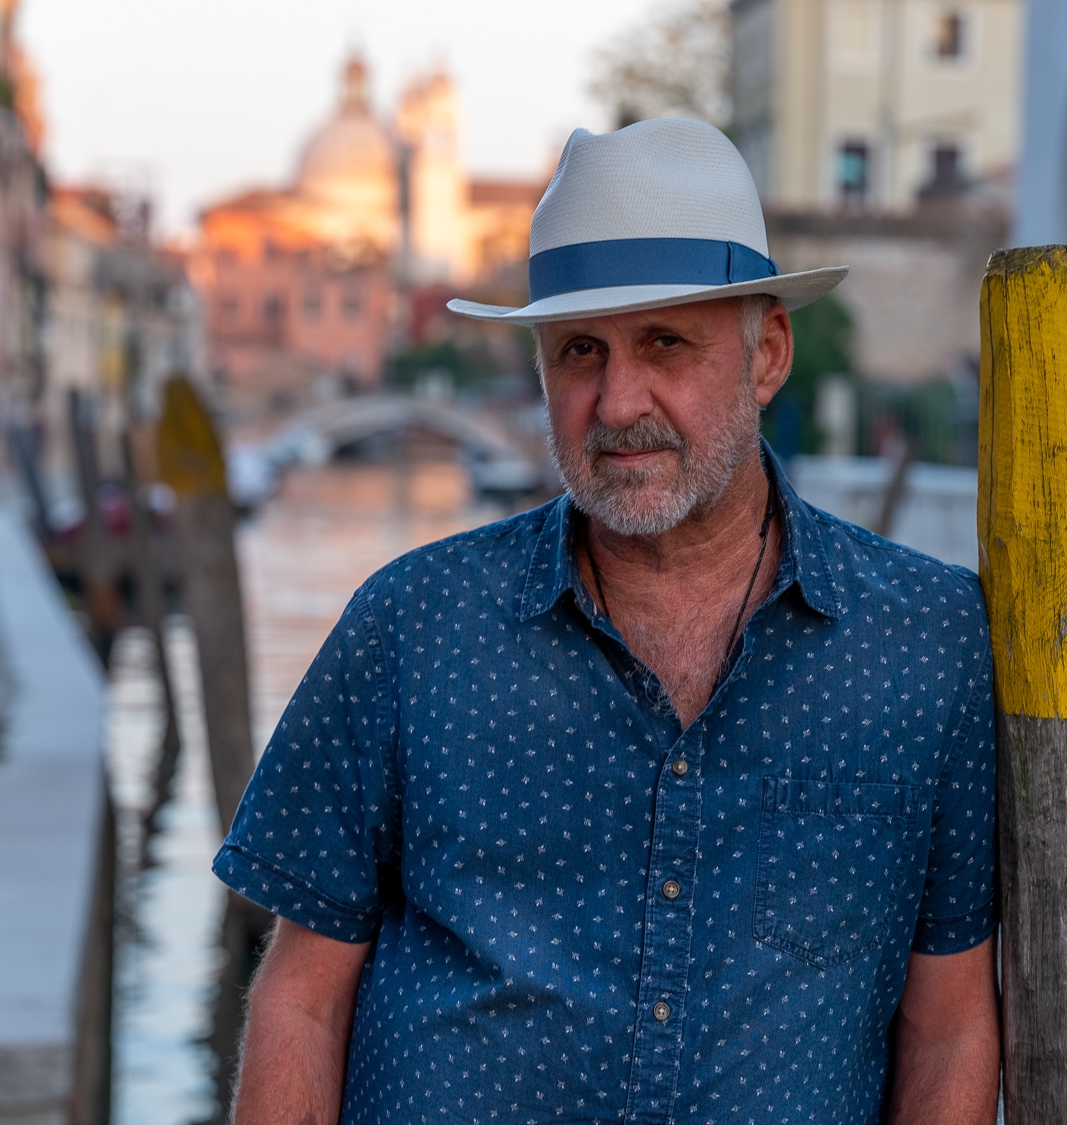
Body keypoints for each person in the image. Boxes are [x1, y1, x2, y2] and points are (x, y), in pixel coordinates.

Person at [214, 117, 999, 1124]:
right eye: (581, 350)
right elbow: (302, 998)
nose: (618, 400)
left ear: (766, 356)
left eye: (665, 342)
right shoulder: (410, 628)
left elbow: (949, 1027)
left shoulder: (924, 644)